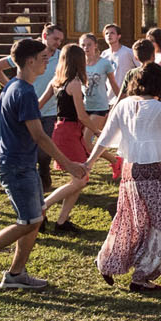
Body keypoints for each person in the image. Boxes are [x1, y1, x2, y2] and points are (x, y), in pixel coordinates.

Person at [0, 37, 87, 290]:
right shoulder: (24, 91)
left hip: (19, 162)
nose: (46, 63)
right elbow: (39, 135)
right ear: (30, 61)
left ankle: (16, 274)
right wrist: (69, 165)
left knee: (35, 218)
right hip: (16, 165)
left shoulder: (13, 86)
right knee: (27, 221)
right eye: (43, 59)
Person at [85, 63, 161, 292]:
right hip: (152, 173)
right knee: (159, 225)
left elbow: (103, 139)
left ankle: (107, 261)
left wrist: (89, 164)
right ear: (160, 84)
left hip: (129, 173)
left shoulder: (123, 105)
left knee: (129, 220)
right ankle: (141, 276)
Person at [39, 43, 104, 233]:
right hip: (68, 131)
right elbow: (82, 115)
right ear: (78, 61)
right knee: (81, 177)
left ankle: (62, 221)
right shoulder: (74, 83)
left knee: (80, 177)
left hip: (64, 128)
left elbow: (39, 103)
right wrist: (98, 132)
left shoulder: (56, 80)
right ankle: (43, 205)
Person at [0, 23, 64, 194]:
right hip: (26, 108)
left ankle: (43, 175)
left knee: (42, 151)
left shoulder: (60, 56)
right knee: (33, 143)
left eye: (60, 40)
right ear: (44, 35)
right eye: (55, 38)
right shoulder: (28, 52)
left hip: (48, 110)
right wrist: (13, 88)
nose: (58, 43)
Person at [78, 32, 122, 180]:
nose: (85, 48)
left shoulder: (104, 63)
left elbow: (114, 85)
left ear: (96, 45)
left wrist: (121, 101)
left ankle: (114, 161)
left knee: (86, 141)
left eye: (88, 45)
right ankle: (87, 167)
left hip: (100, 107)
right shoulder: (79, 63)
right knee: (81, 142)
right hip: (84, 106)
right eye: (83, 45)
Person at [102, 23, 136, 90]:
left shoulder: (128, 52)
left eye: (112, 33)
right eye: (106, 33)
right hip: (108, 96)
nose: (109, 35)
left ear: (119, 36)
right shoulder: (104, 55)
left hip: (125, 94)